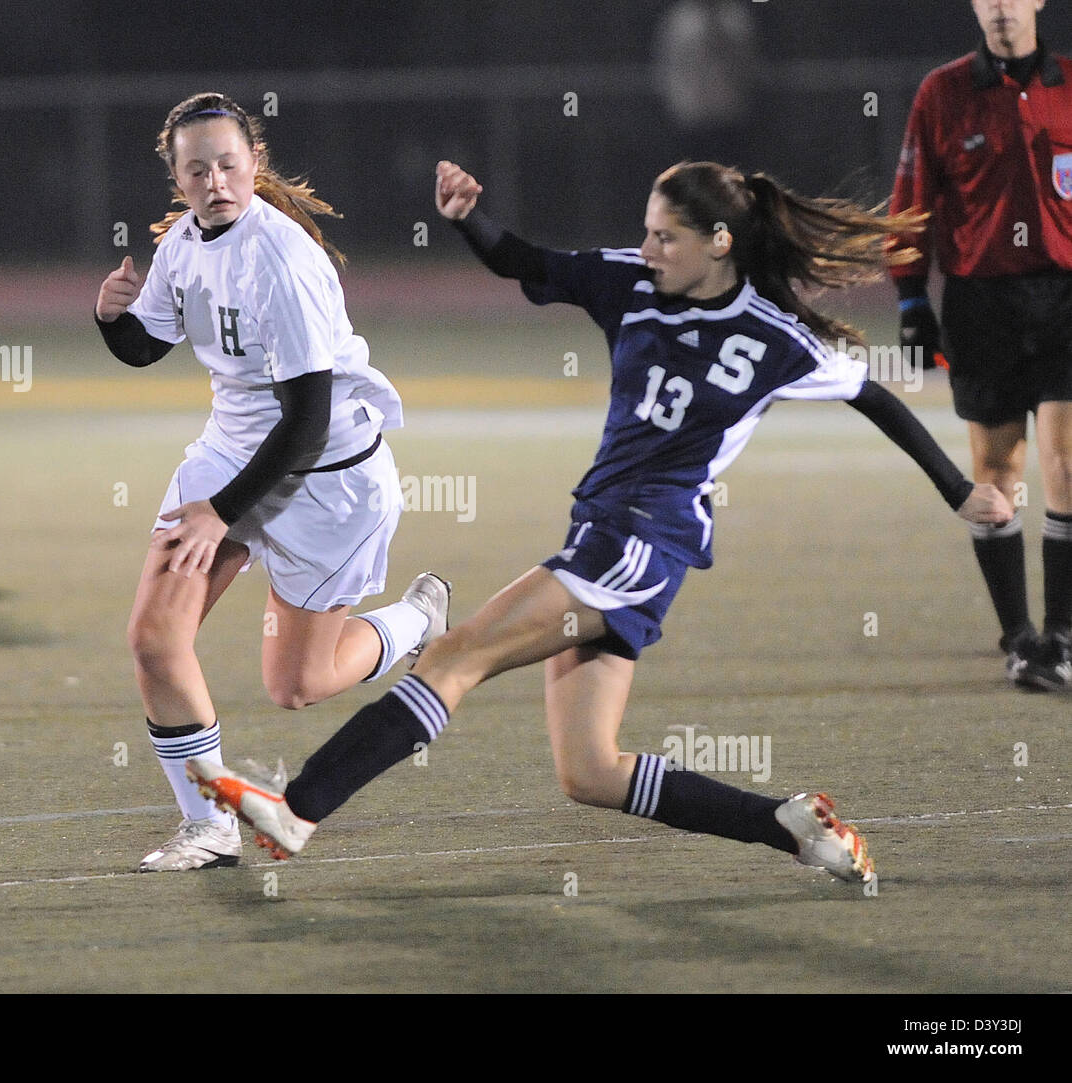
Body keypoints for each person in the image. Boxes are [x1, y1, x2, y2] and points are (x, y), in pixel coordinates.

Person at [186, 158, 1013, 883]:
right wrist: (471, 221)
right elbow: (528, 263)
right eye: (647, 232)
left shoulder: (774, 337)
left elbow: (874, 397)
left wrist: (956, 489)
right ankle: (787, 825)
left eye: (666, 237)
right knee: (589, 770)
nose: (647, 248)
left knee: (460, 652)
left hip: (642, 544)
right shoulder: (631, 284)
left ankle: (298, 809)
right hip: (607, 540)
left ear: (720, 242)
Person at [94, 93, 449, 873]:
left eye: (228, 163)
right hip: (232, 453)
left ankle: (414, 622)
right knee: (155, 639)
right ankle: (210, 825)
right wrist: (110, 316)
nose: (216, 180)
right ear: (178, 180)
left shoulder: (278, 259)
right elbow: (145, 345)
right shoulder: (185, 242)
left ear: (254, 161)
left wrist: (221, 515)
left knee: (297, 684)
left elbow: (307, 421)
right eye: (198, 169)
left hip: (326, 477)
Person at [891, 0, 1072, 691]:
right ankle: (1020, 638)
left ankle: (1061, 633)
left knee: (1066, 463)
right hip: (981, 304)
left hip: (1064, 298)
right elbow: (912, 199)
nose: (999, 7)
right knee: (999, 475)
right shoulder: (942, 93)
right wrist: (910, 297)